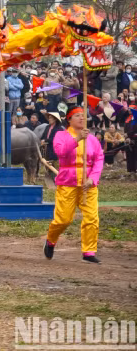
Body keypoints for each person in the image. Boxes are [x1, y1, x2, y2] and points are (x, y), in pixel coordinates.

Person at [44, 106, 104, 264]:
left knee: (92, 218)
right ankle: (51, 240)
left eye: (83, 115)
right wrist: (77, 139)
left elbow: (99, 159)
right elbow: (60, 152)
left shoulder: (92, 139)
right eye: (77, 115)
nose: (82, 118)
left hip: (88, 184)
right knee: (63, 220)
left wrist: (93, 178)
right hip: (67, 183)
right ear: (69, 119)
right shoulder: (61, 135)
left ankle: (89, 252)